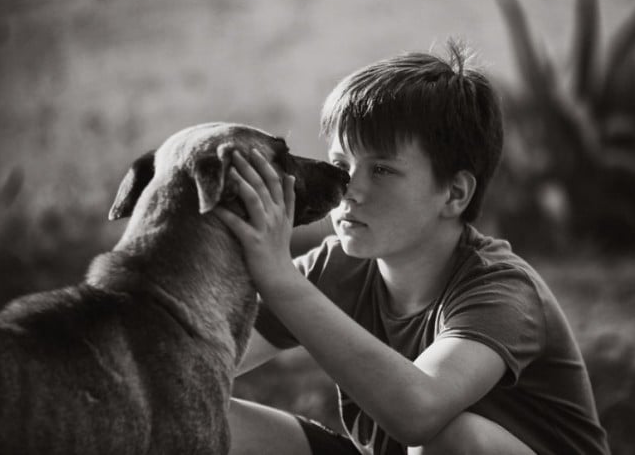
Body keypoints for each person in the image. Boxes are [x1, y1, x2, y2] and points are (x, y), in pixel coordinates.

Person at [216, 41, 609, 455]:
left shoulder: (503, 292)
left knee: (454, 438)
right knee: (201, 414)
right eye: (341, 165)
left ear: (454, 194)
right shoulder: (335, 267)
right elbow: (200, 358)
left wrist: (279, 280)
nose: (351, 190)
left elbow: (417, 414)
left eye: (382, 170)